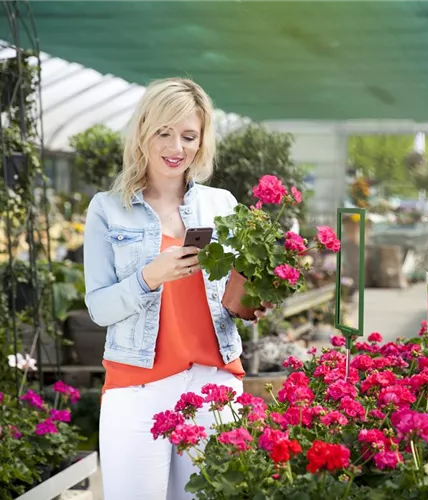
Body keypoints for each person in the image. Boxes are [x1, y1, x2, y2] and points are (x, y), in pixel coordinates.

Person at [83, 78, 272, 500]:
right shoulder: (108, 208)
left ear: (202, 141)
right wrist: (150, 277)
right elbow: (99, 307)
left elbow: (238, 287)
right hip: (136, 388)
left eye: (189, 136)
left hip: (214, 383)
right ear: (143, 132)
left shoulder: (221, 204)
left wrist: (252, 302)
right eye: (164, 132)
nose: (176, 147)